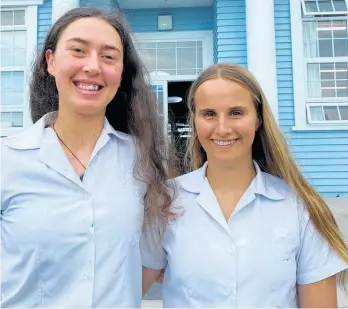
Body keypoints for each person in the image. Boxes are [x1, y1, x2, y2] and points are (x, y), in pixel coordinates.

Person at [1, 7, 175, 307]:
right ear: (50, 61)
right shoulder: (8, 160)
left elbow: (148, 262)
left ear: (121, 74)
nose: (93, 67)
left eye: (108, 57)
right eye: (78, 50)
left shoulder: (142, 163)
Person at [141, 63, 348, 308]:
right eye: (209, 114)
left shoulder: (299, 207)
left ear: (258, 119)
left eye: (236, 113)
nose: (223, 128)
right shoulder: (166, 201)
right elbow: (121, 291)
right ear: (195, 120)